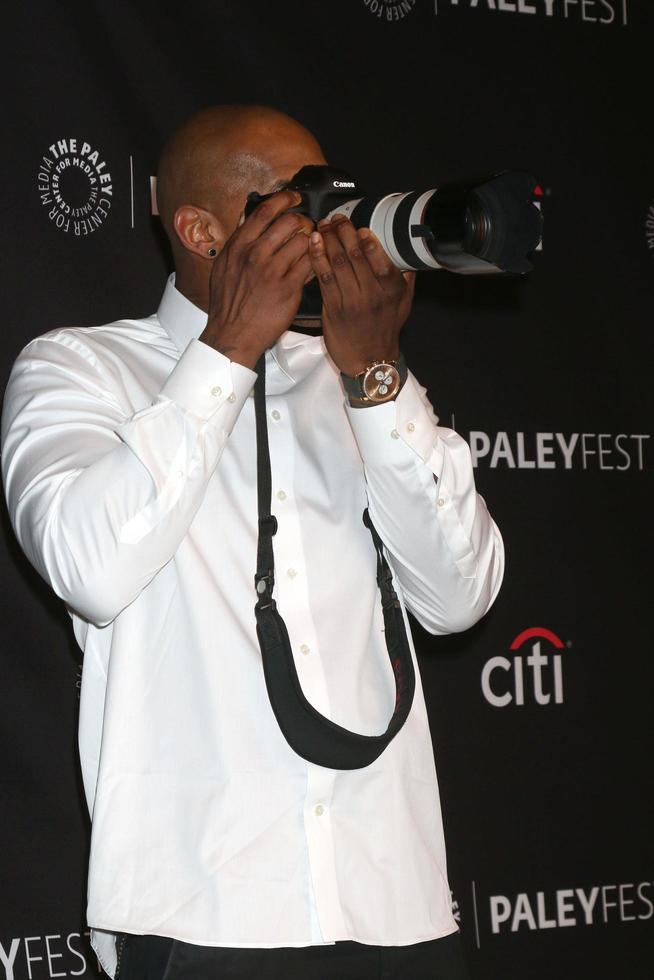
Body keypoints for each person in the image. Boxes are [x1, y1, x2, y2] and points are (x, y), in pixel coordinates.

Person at [1, 105, 504, 979]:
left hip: (395, 903)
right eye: (294, 207)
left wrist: (376, 376)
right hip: (203, 913)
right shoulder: (80, 369)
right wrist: (228, 348)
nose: (325, 235)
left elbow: (459, 598)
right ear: (200, 229)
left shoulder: (361, 377)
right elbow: (88, 567)